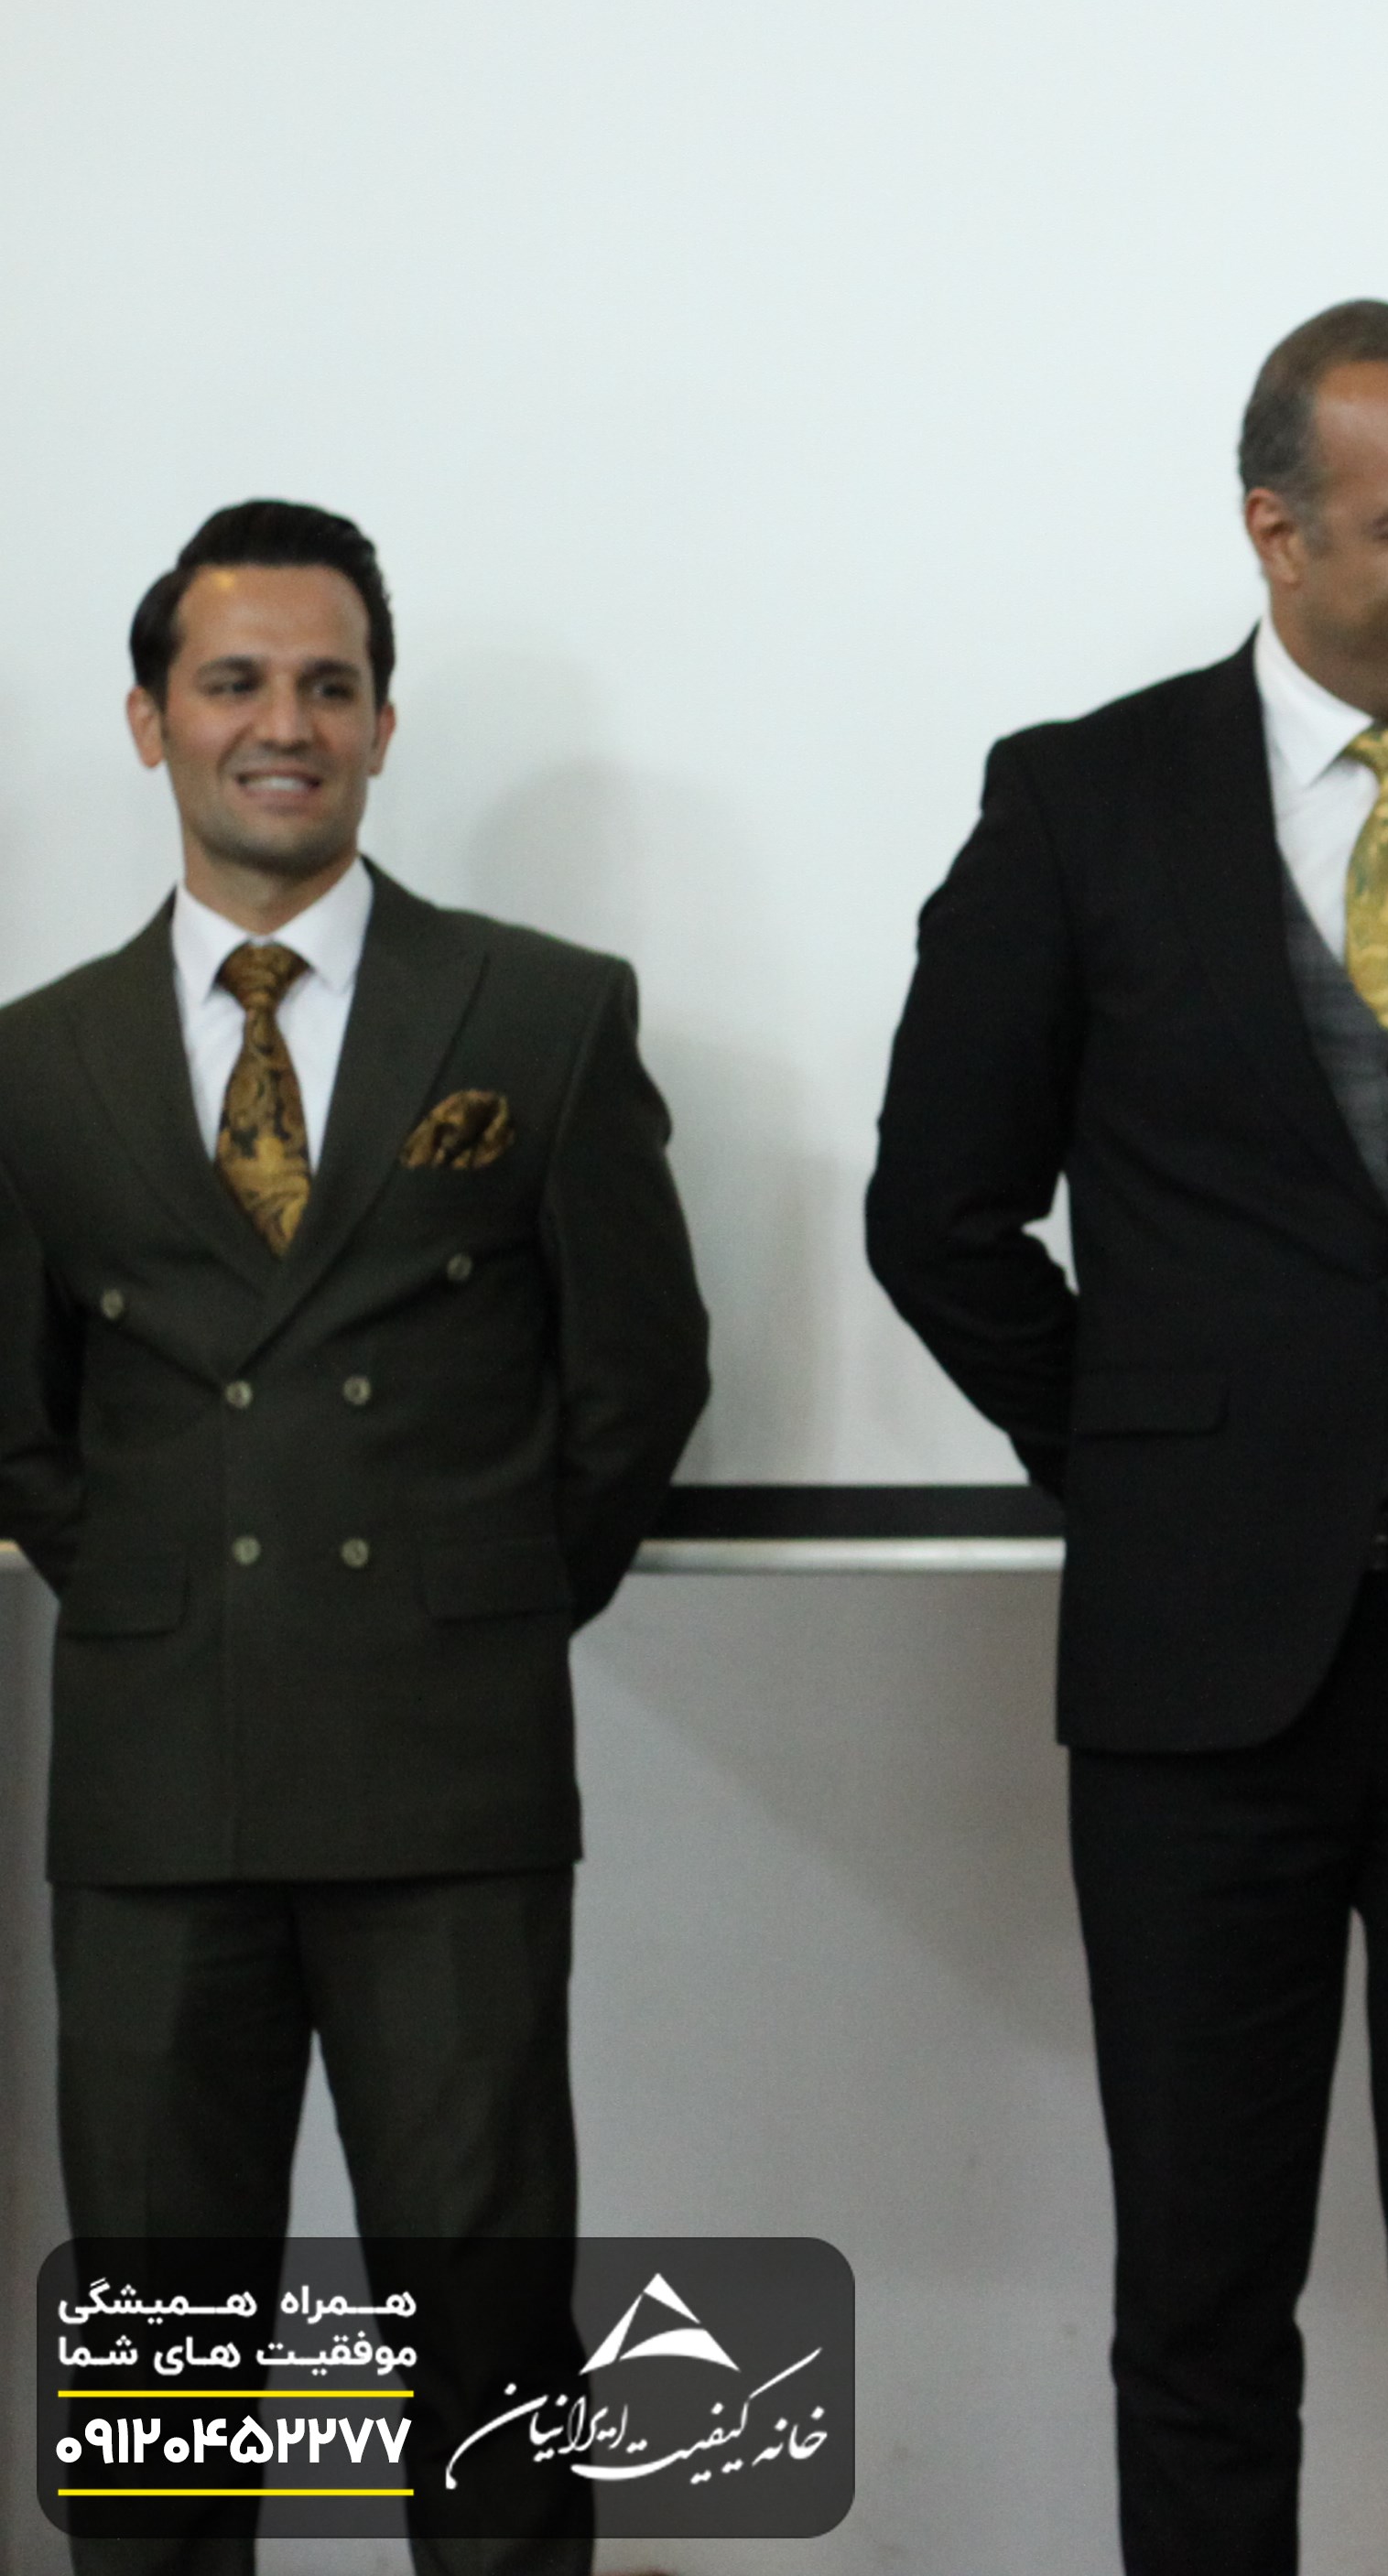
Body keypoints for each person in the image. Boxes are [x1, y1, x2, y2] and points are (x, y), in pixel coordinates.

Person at [865, 302, 1388, 2575]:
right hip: (1197, 1685)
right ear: (1276, 531)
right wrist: (1140, 1463)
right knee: (1202, 2311)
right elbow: (939, 1215)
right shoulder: (1082, 799)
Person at [0, 498, 711, 2576]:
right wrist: (153, 1598)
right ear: (151, 720)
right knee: (157, 2417)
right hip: (154, 1791)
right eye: (235, 682)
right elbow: (19, 1425)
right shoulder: (31, 1064)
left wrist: (479, 1606)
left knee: (490, 2392)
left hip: (449, 1780)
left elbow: (637, 1380)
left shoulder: (541, 1014)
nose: (285, 724)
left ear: (386, 724)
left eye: (330, 684)